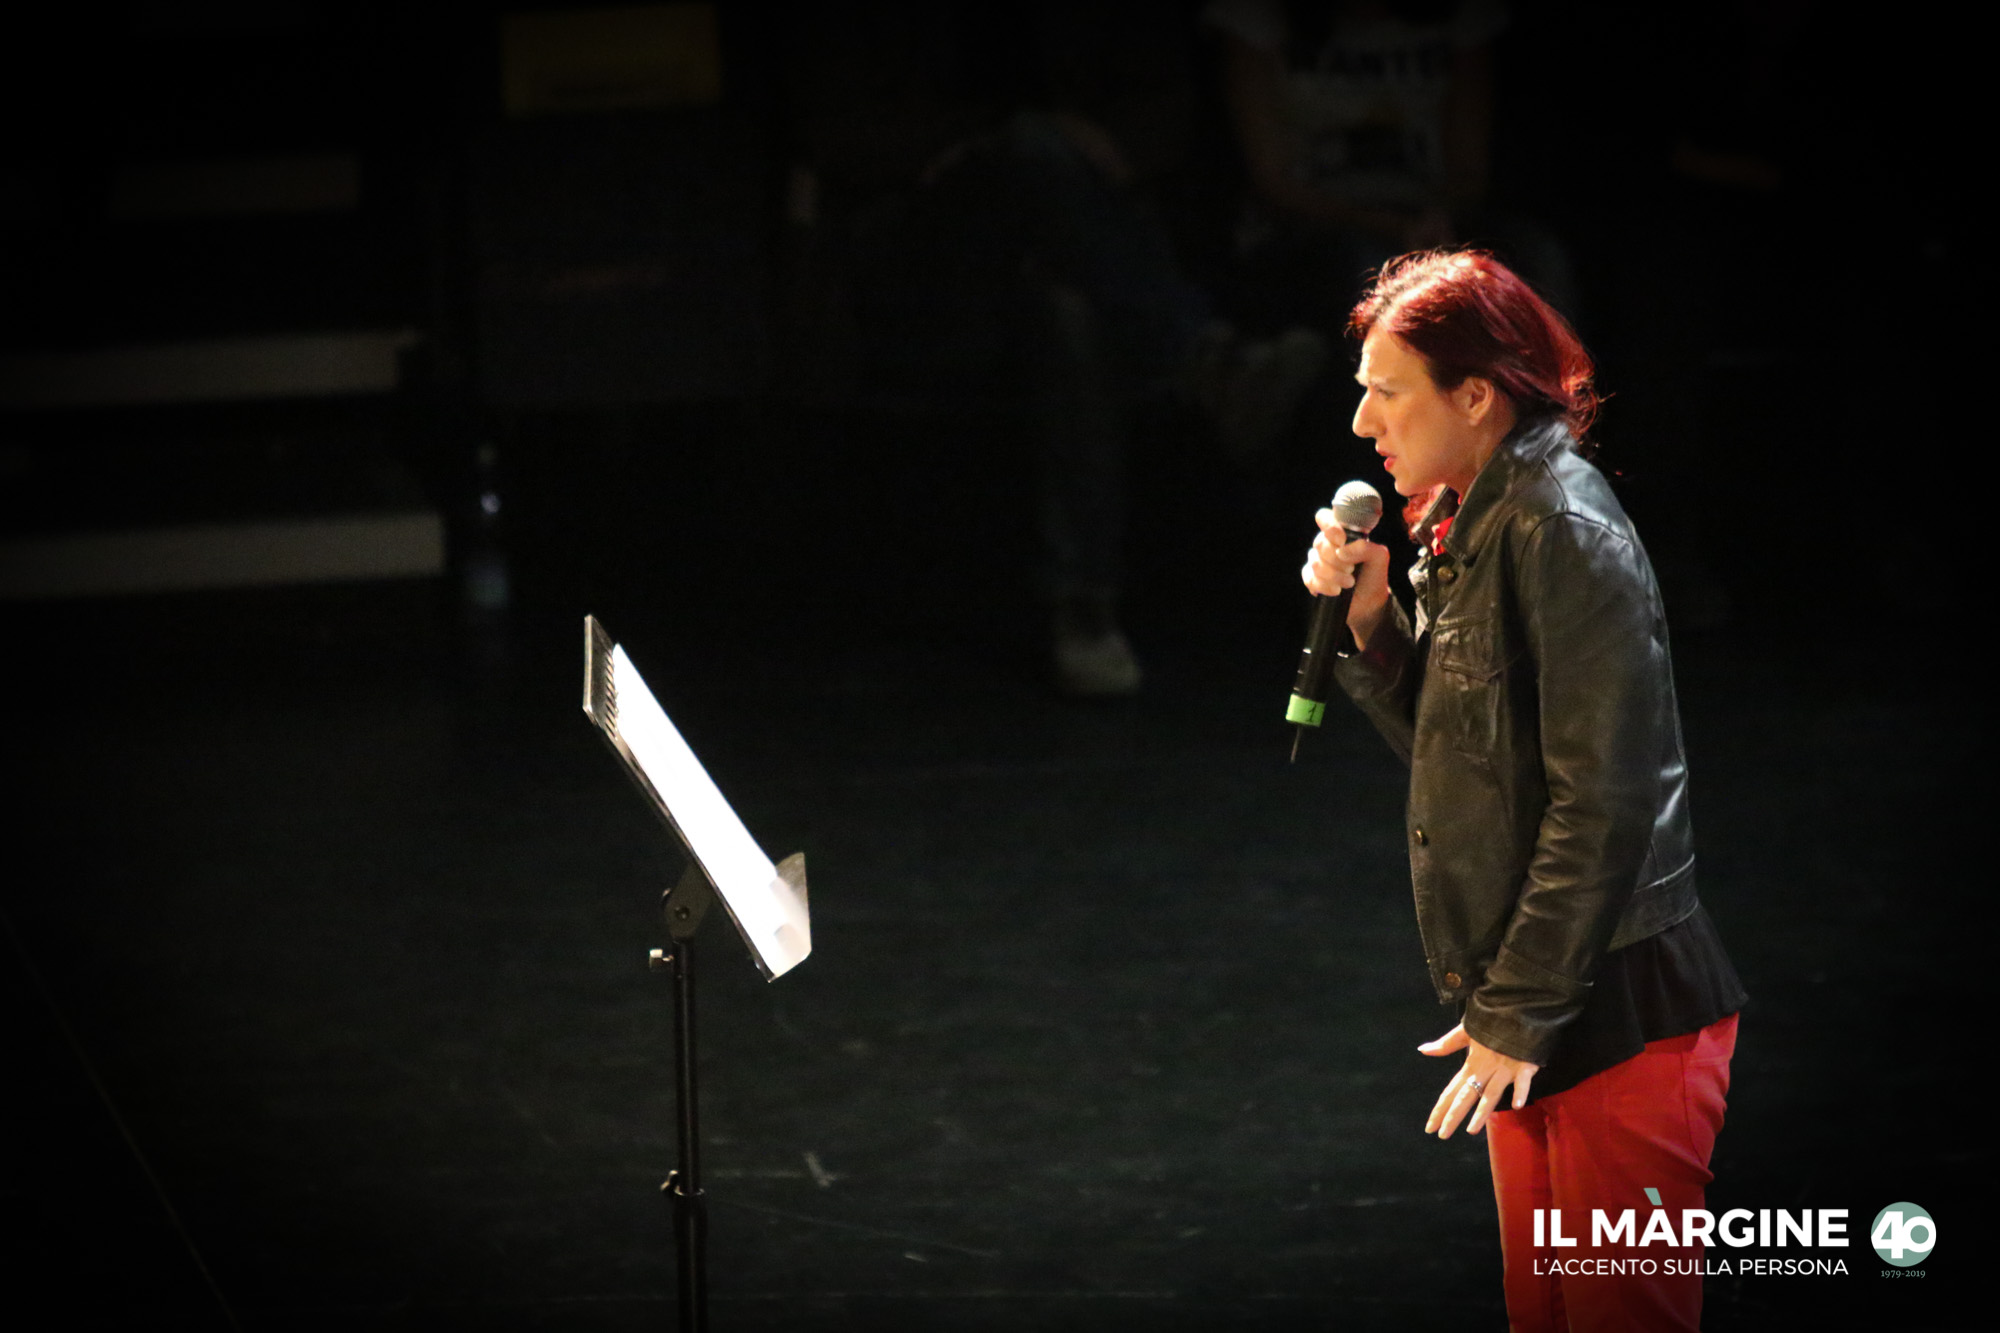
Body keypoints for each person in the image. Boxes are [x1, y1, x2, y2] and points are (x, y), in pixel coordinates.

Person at [1302, 249, 1744, 1330]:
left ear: (1474, 395)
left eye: (1386, 391)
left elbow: (1603, 802)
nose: (1362, 422)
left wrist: (1514, 1010)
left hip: (1615, 1006)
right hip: (1541, 994)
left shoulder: (1559, 528)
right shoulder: (1476, 518)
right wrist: (1371, 624)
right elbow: (1477, 755)